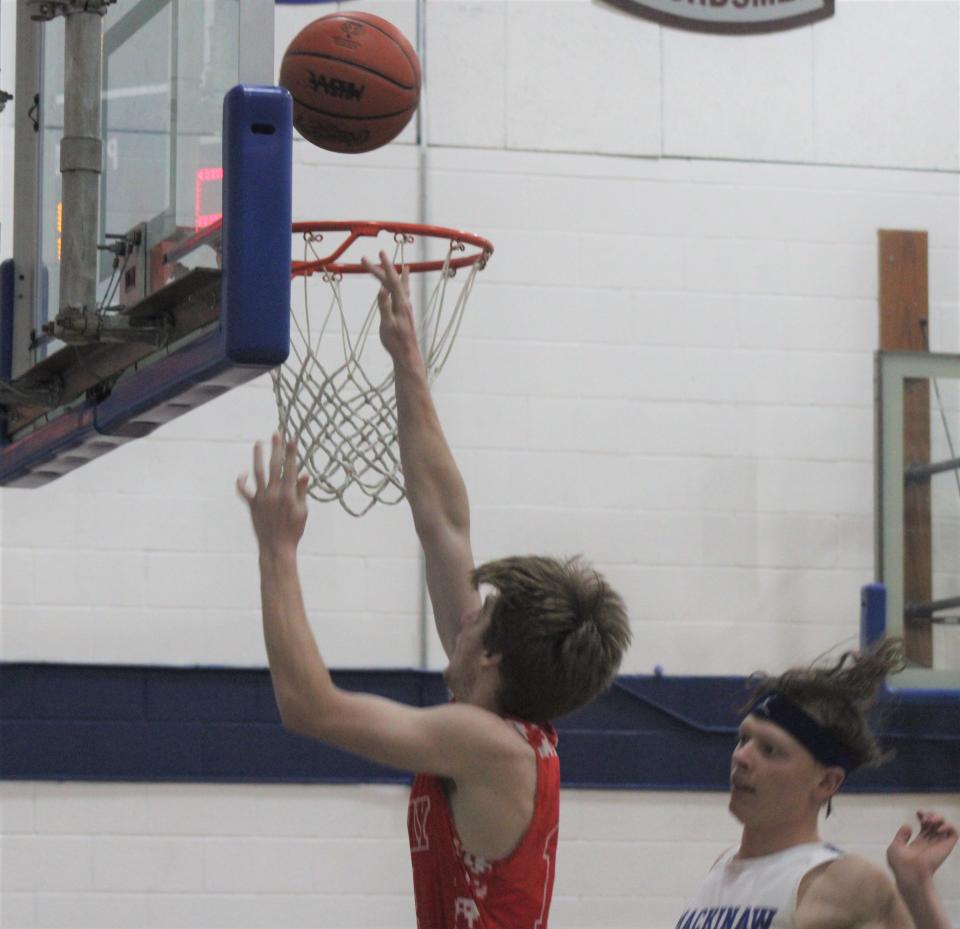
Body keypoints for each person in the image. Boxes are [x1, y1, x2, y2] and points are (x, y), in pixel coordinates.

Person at [237, 251, 632, 929]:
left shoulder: (487, 742)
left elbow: (309, 706)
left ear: (492, 657)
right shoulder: (500, 715)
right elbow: (445, 523)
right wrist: (407, 361)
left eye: (483, 617)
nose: (468, 614)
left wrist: (277, 551)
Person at [675, 639, 958, 929]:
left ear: (826, 782)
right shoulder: (722, 869)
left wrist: (916, 886)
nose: (742, 757)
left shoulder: (844, 879)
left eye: (770, 750)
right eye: (744, 739)